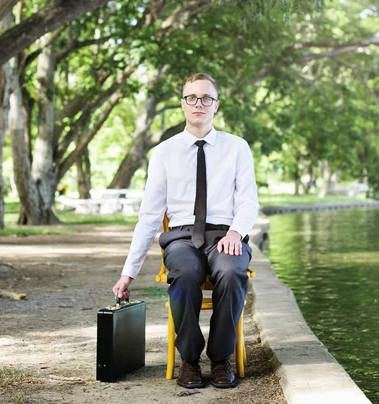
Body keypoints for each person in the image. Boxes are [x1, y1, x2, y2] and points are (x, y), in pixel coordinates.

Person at [112, 73, 259, 389]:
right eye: (192, 97)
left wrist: (236, 232)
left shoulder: (237, 147)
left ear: (215, 105)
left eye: (206, 98)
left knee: (233, 272)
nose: (199, 103)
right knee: (185, 275)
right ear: (183, 104)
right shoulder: (164, 152)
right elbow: (149, 217)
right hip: (181, 237)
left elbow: (248, 202)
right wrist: (128, 273)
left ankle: (221, 359)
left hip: (225, 236)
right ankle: (190, 360)